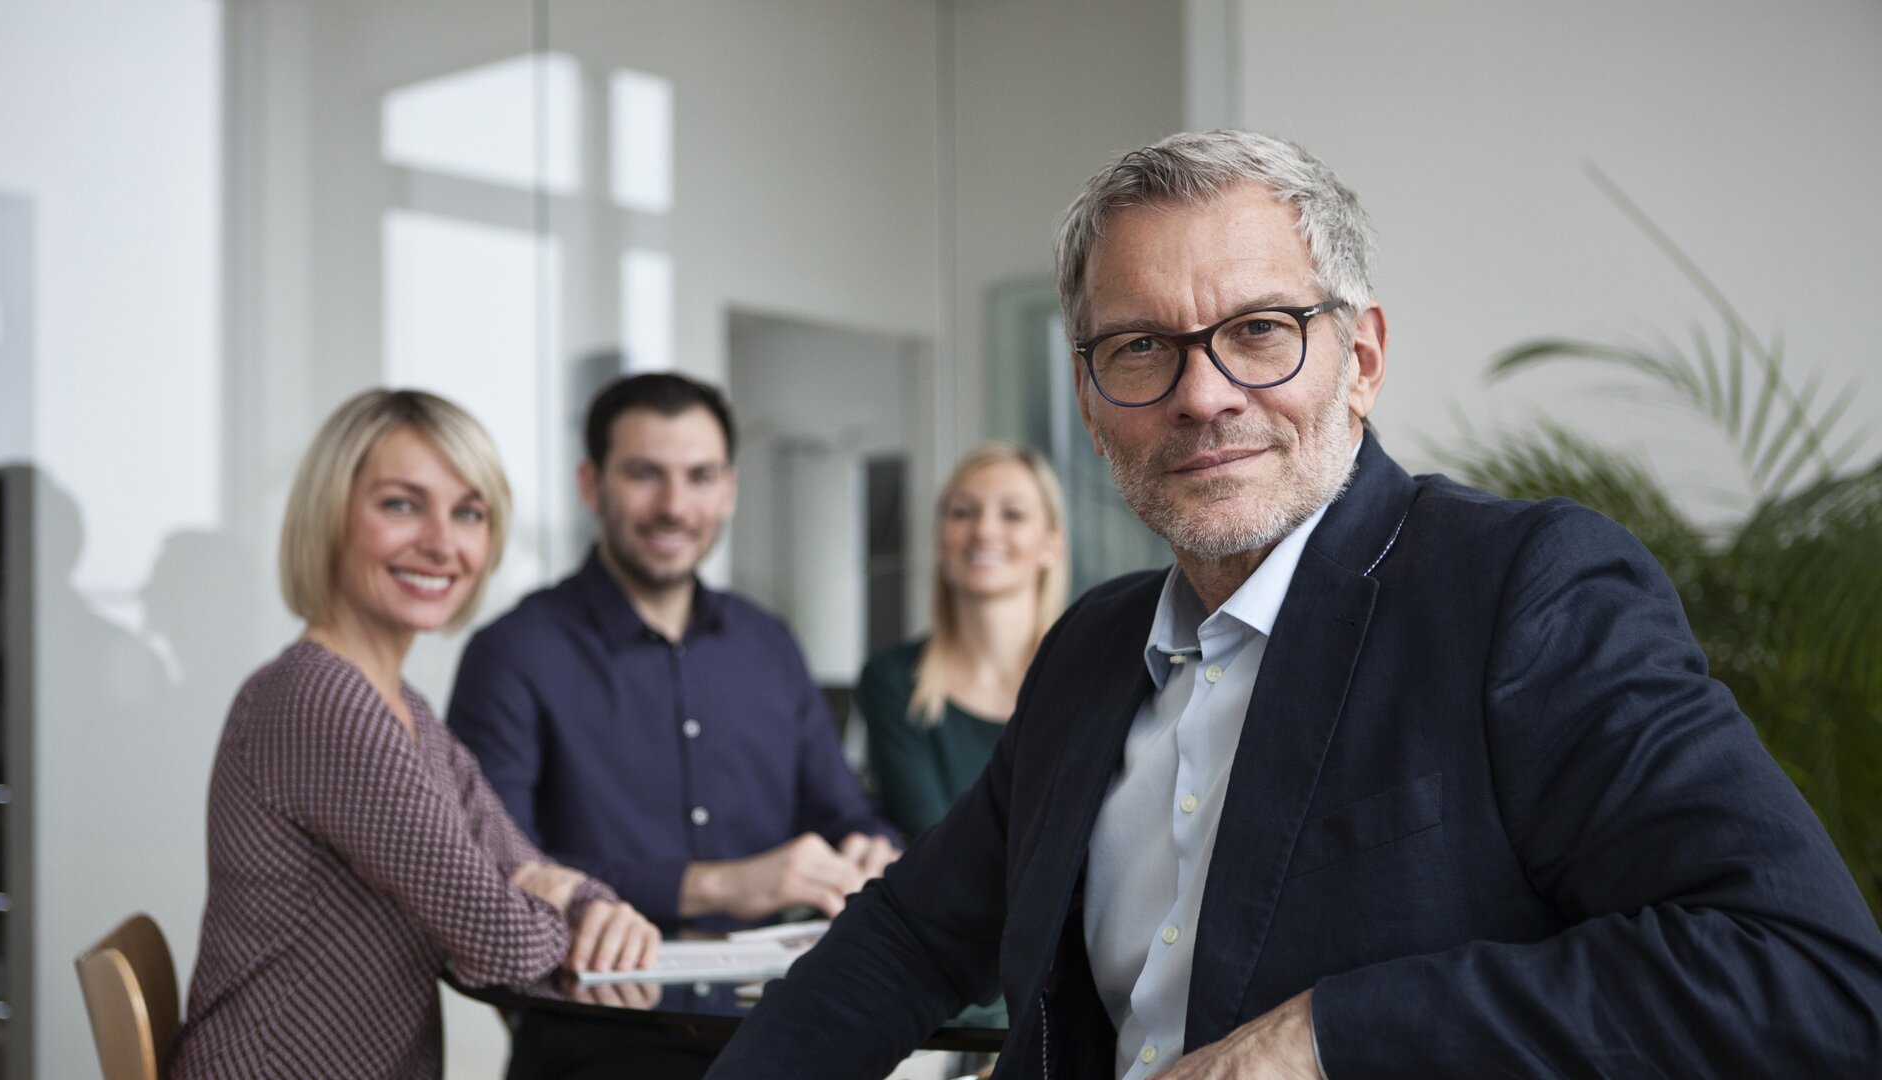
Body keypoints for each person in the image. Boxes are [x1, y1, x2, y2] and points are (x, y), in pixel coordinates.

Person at [705, 131, 1882, 1079]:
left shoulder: (1523, 590)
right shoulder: (1092, 648)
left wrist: (1321, 1038)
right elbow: (910, 938)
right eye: (1140, 348)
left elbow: (1803, 974)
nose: (1203, 395)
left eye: (1260, 332)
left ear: (1361, 358)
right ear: (1087, 394)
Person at [170, 389, 659, 1079]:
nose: (441, 543)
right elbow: (499, 939)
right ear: (331, 515)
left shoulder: (406, 710)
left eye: (469, 513)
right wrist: (557, 907)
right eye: (401, 504)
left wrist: (588, 903)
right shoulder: (320, 698)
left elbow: (515, 857)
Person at [448, 372, 898, 934]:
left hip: (778, 1008)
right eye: (644, 474)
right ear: (591, 485)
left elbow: (846, 815)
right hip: (594, 1015)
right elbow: (496, 870)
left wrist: (871, 851)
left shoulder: (770, 643)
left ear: (729, 490)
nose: (675, 506)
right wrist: (722, 885)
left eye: (701, 477)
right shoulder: (511, 655)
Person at [858, 442, 1068, 839]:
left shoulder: (1089, 678)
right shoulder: (893, 681)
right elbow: (932, 846)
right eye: (963, 512)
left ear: (1050, 546)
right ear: (941, 540)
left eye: (1013, 514)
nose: (984, 530)